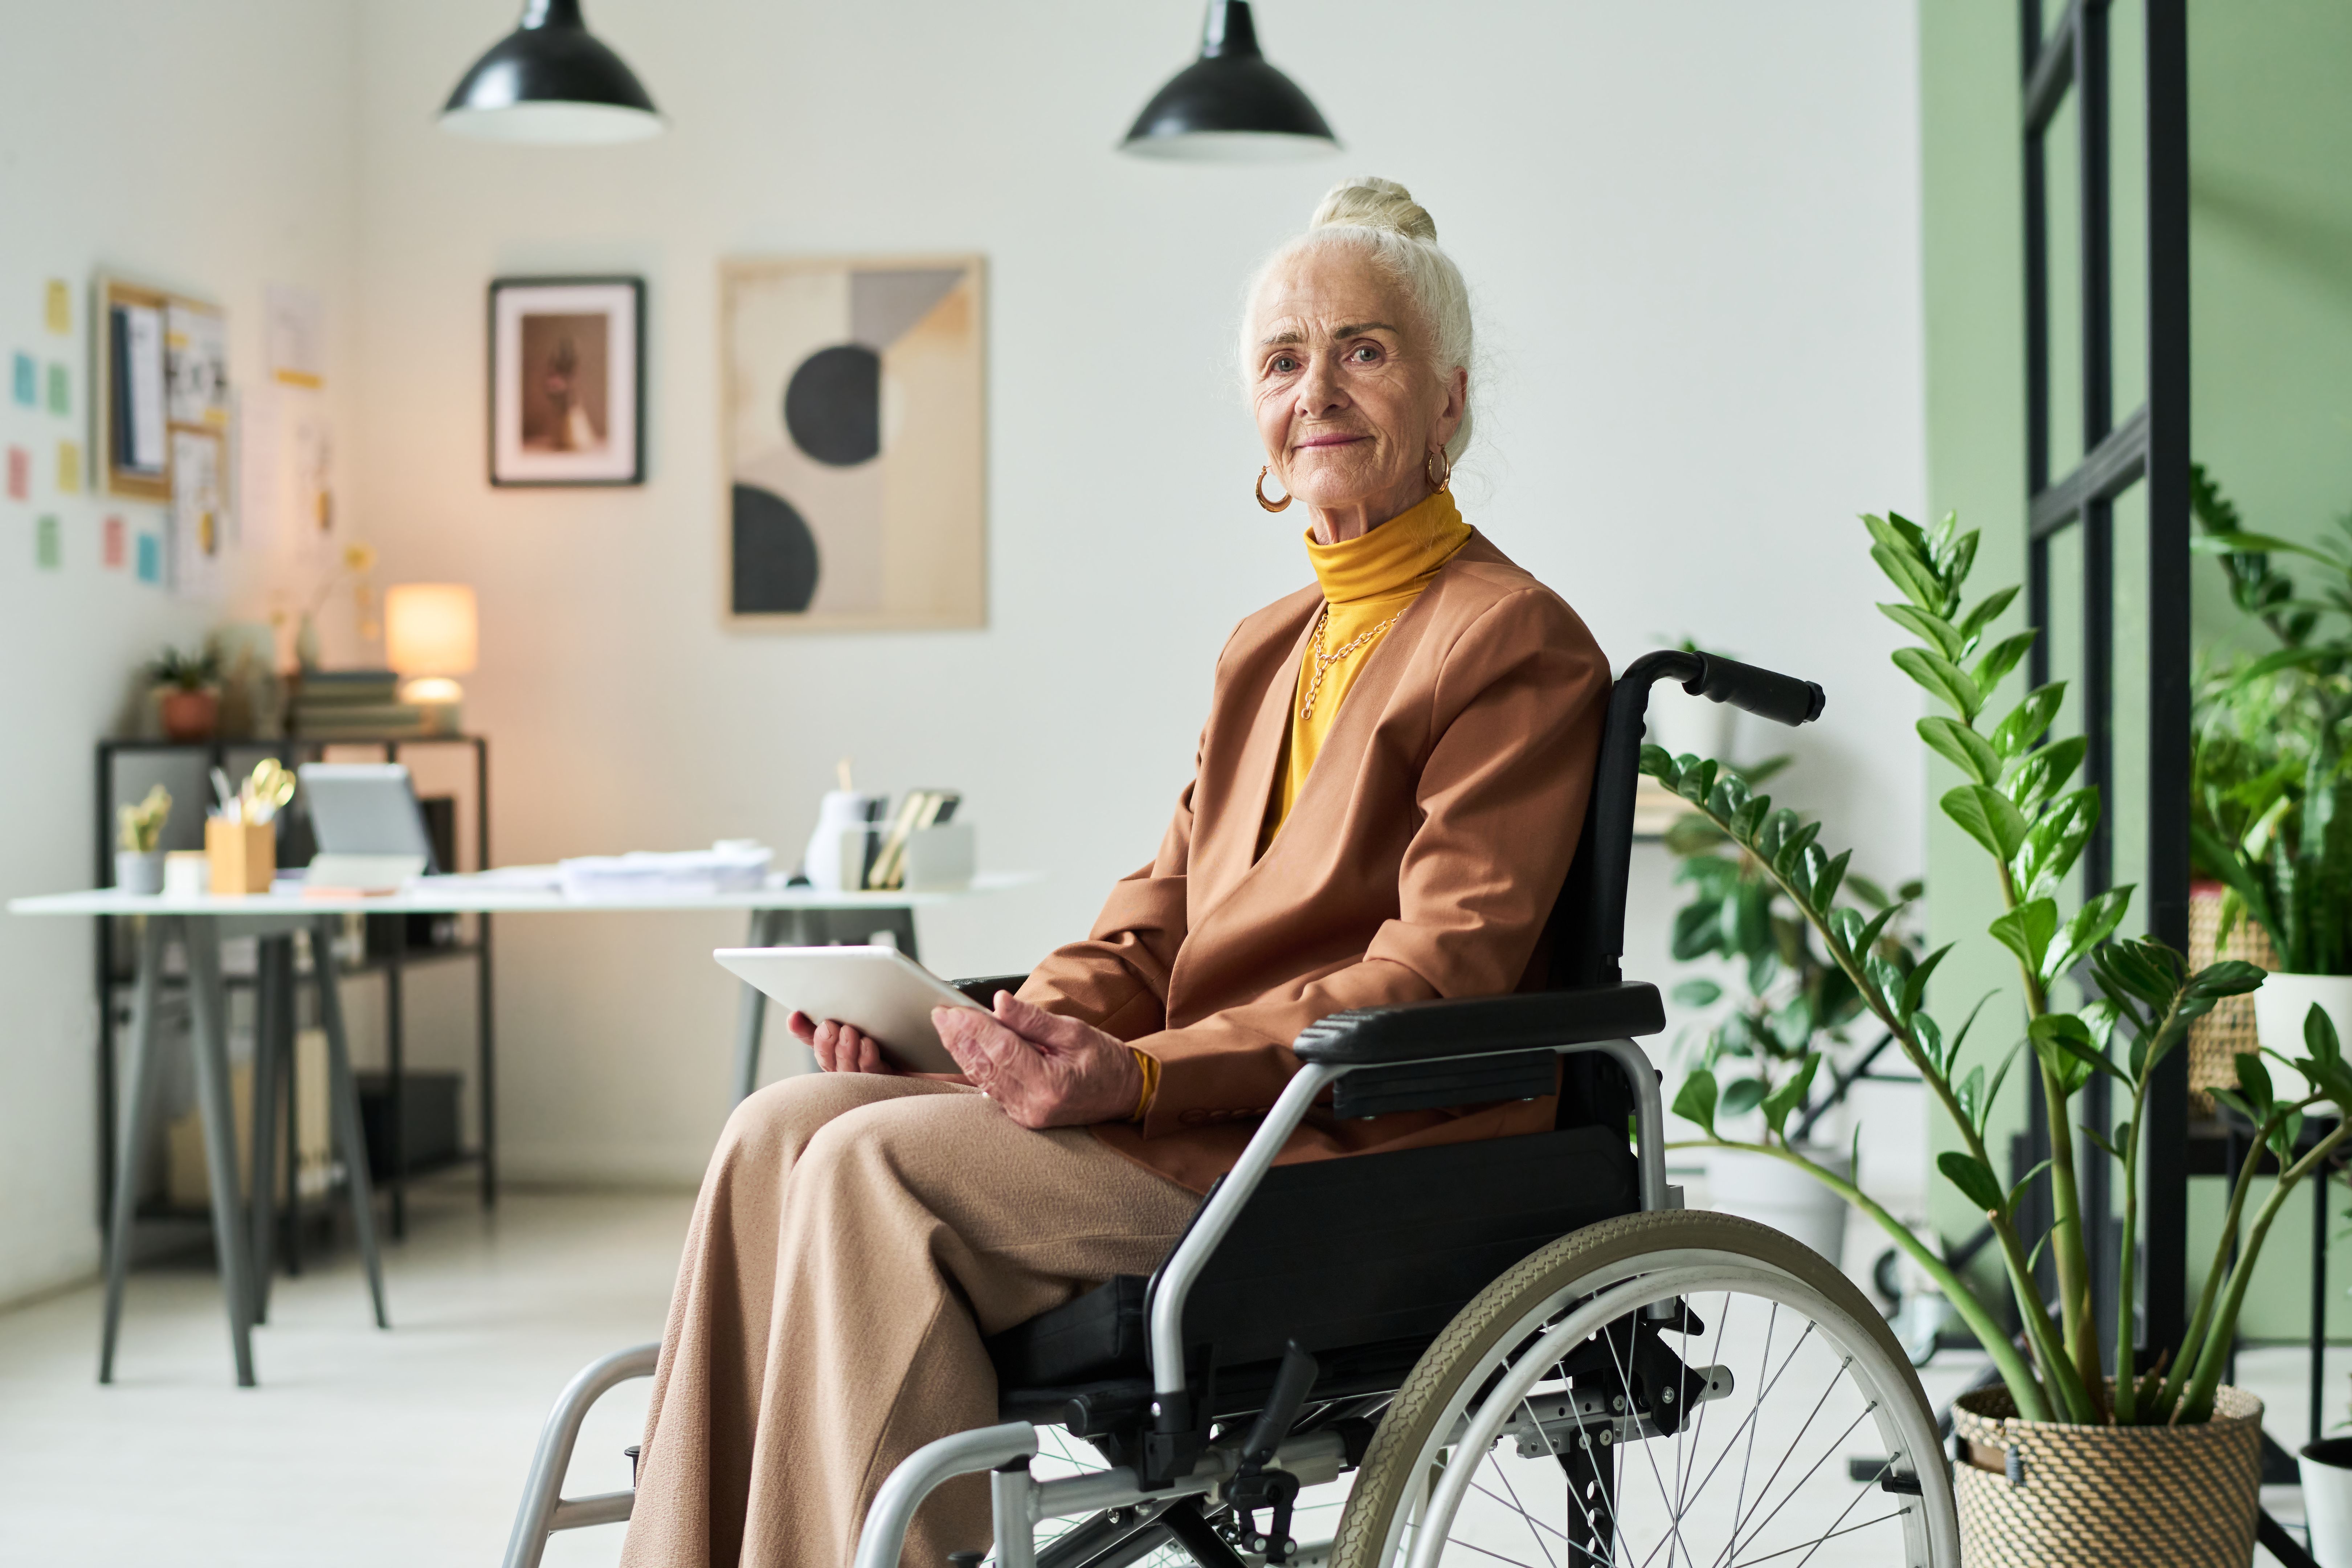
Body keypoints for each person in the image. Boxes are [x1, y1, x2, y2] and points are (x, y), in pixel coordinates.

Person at [618, 176, 1611, 1568]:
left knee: (863, 1166)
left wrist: (1139, 1079)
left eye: (1364, 351)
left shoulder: (1515, 640)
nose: (1318, 391)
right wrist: (981, 1038)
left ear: (1448, 397)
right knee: (779, 1127)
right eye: (1284, 360)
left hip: (1335, 1147)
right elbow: (1154, 926)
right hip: (1196, 1115)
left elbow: (1436, 976)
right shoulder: (1264, 649)